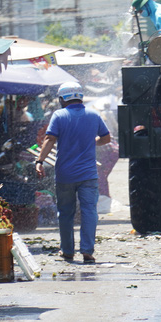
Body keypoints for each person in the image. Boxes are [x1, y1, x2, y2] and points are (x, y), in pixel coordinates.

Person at [34, 82, 111, 263]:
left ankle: (68, 251)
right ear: (80, 97)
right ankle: (87, 251)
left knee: (66, 212)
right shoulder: (93, 115)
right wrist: (93, 142)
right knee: (89, 211)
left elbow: (50, 139)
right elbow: (106, 138)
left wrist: (40, 161)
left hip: (65, 175)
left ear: (62, 99)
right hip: (89, 175)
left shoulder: (59, 115)